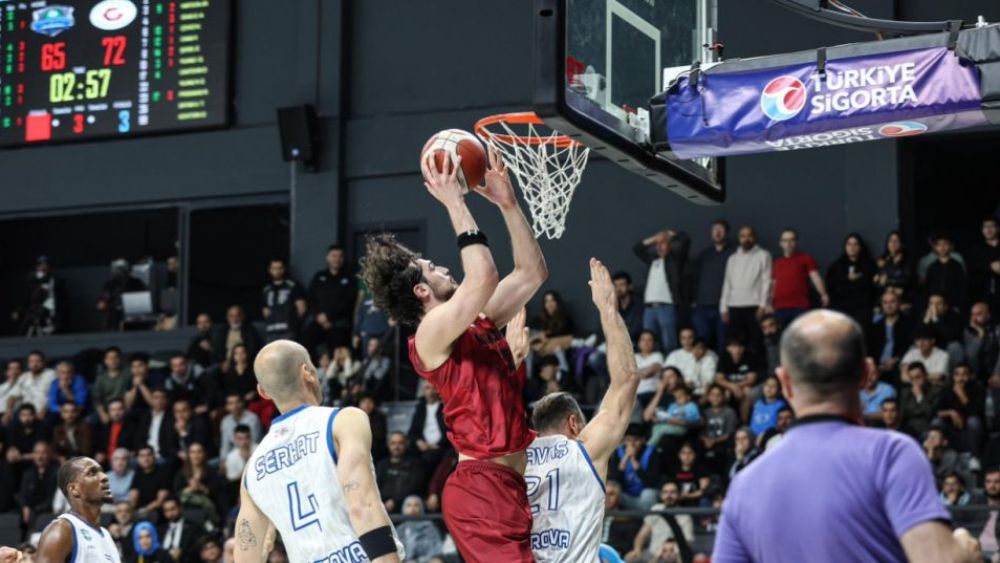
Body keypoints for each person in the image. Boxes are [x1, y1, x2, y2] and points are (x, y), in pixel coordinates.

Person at [361, 148, 547, 562]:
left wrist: (509, 205)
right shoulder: (429, 334)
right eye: (431, 267)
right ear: (421, 292)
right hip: (480, 489)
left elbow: (532, 273)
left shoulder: (474, 322)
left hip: (509, 483)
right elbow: (484, 275)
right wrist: (454, 201)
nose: (443, 267)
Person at [713, 309, 982, 563]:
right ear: (866, 373)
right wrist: (963, 550)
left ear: (784, 382)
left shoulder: (744, 484)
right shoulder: (891, 454)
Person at [234, 340, 403, 562]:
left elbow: (245, 555)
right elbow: (362, 505)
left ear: (263, 391)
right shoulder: (341, 421)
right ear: (308, 373)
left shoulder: (251, 471)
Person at [524, 258, 641, 562]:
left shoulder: (514, 458)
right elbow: (626, 380)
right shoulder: (584, 449)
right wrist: (608, 311)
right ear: (574, 423)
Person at [35, 457, 120, 562]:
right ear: (74, 489)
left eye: (101, 472)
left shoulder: (106, 535)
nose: (104, 477)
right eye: (92, 473)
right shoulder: (61, 530)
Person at [633, 228, 691, 354]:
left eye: (663, 243)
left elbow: (686, 240)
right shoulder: (653, 260)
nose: (659, 246)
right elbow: (637, 249)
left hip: (666, 306)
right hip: (649, 308)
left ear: (670, 245)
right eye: (657, 244)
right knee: (648, 344)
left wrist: (670, 234)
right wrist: (655, 238)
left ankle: (671, 370)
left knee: (669, 342)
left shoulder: (675, 260)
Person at [720, 226, 771, 355]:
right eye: (743, 236)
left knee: (755, 342)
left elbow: (767, 281)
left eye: (749, 235)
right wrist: (723, 308)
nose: (746, 239)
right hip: (734, 306)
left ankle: (756, 373)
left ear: (754, 237)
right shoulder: (732, 258)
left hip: (754, 306)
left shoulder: (763, 255)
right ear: (739, 238)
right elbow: (727, 283)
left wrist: (763, 305)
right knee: (735, 342)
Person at [691, 220, 735, 352]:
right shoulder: (704, 255)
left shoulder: (734, 254)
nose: (717, 232)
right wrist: (694, 301)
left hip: (723, 306)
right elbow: (695, 279)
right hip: (702, 306)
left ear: (726, 233)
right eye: (715, 229)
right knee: (702, 341)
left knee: (723, 341)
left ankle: (721, 371)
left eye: (721, 229)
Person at [770, 229, 829, 326]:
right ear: (780, 243)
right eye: (785, 240)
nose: (788, 243)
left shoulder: (806, 258)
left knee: (801, 337)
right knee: (782, 338)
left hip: (800, 306)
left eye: (791, 240)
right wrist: (769, 302)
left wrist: (823, 294)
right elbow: (774, 283)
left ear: (796, 242)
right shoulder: (778, 262)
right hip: (779, 307)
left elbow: (815, 277)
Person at [625, 482, 694, 563]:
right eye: (665, 492)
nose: (669, 496)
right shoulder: (656, 509)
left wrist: (672, 550)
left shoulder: (685, 515)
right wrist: (637, 549)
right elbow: (642, 535)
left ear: (678, 495)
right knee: (629, 558)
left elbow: (688, 544)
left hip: (673, 555)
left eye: (672, 492)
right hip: (652, 553)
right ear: (661, 495)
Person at [307, 244, 357, 350]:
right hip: (319, 321)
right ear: (328, 258)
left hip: (339, 323)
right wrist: (318, 315)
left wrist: (328, 317)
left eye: (340, 256)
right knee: (306, 340)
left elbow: (348, 302)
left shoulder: (350, 279)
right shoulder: (319, 276)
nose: (337, 259)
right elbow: (311, 298)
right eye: (334, 256)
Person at [826, 233, 877, 331]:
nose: (852, 247)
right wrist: (847, 279)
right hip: (842, 308)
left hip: (862, 309)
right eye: (849, 244)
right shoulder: (837, 266)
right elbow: (832, 287)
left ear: (860, 247)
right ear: (845, 247)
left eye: (855, 244)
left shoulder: (869, 265)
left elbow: (872, 288)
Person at [869, 290, 914, 384]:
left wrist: (896, 359)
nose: (889, 306)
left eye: (892, 302)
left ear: (899, 303)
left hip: (898, 366)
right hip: (878, 367)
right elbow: (870, 349)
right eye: (885, 302)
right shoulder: (876, 326)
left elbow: (911, 347)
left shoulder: (909, 324)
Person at [375, 432, 425, 513]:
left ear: (406, 444)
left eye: (400, 443)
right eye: (393, 443)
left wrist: (395, 501)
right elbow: (376, 486)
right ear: (388, 445)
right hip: (382, 507)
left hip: (406, 508)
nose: (396, 447)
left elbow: (414, 487)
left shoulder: (415, 464)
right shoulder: (382, 464)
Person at [395, 496, 443, 562]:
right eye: (409, 505)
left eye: (416, 505)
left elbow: (436, 552)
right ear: (404, 509)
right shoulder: (399, 530)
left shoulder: (429, 528)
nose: (413, 508)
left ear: (421, 508)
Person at [875, 230, 915, 305]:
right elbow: (877, 283)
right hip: (884, 300)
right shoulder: (881, 260)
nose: (893, 244)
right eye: (891, 241)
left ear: (901, 244)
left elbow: (909, 281)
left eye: (896, 241)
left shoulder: (909, 261)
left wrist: (888, 283)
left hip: (903, 300)